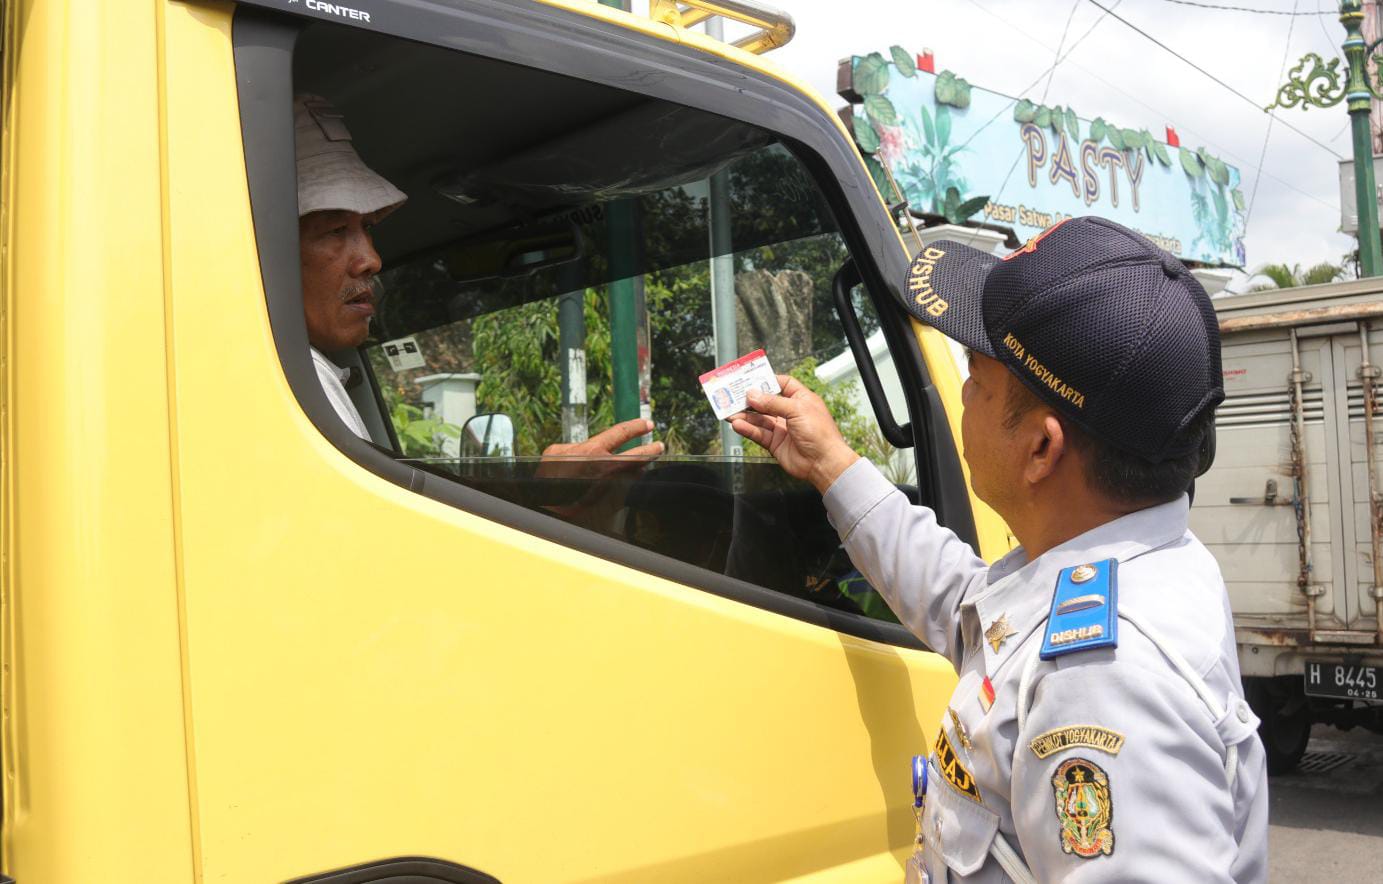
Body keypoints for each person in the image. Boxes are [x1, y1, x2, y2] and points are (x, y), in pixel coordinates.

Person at [730, 217, 1267, 882]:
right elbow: (973, 609)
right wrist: (833, 464)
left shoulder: (1103, 679)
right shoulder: (1132, 565)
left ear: (1040, 448)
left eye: (978, 380)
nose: (963, 394)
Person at [294, 94, 660, 460]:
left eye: (368, 228)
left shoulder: (303, 376)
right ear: (267, 248)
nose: (371, 260)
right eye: (335, 230)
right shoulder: (302, 378)